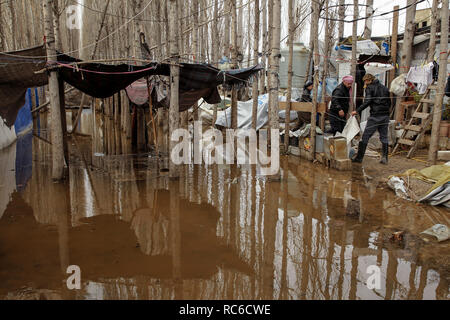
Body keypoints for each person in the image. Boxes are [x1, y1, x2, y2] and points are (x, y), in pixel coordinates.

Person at [351, 73, 391, 164]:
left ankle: (359, 158)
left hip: (375, 116)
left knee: (365, 137)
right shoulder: (384, 88)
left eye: (365, 81)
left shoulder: (370, 88)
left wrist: (357, 111)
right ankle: (385, 158)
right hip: (385, 116)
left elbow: (367, 101)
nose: (365, 83)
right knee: (384, 137)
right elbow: (389, 102)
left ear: (369, 80)